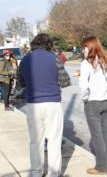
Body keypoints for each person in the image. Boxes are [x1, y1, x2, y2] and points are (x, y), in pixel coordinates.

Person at [17, 33, 70, 177]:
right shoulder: (53, 58)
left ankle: (36, 172)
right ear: (49, 44)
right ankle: (54, 173)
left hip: (33, 104)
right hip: (52, 102)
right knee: (54, 139)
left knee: (35, 141)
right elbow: (65, 81)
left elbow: (20, 83)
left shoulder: (25, 59)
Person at [79, 36, 107, 175]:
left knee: (97, 136)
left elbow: (84, 87)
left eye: (85, 47)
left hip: (93, 103)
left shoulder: (86, 64)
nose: (83, 50)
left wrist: (85, 98)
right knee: (106, 134)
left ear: (91, 47)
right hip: (106, 102)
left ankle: (101, 167)